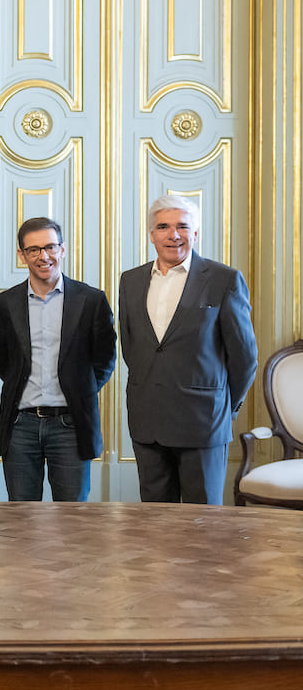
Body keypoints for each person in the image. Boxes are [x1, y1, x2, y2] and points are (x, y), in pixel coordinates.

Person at [118, 194, 258, 504]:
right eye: (163, 227)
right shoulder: (130, 281)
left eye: (182, 226)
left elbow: (245, 358)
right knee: (154, 521)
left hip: (204, 423)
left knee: (202, 522)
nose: (173, 235)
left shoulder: (224, 280)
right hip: (148, 422)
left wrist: (224, 406)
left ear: (195, 233)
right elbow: (133, 349)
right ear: (151, 234)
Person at [0, 217, 116, 501]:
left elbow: (105, 357)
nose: (43, 256)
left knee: (72, 516)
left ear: (63, 249)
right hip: (20, 425)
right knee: (22, 514)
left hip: (71, 425)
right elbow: (1, 358)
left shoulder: (91, 300)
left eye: (50, 247)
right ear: (21, 255)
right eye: (33, 249)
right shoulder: (2, 304)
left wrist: (79, 388)